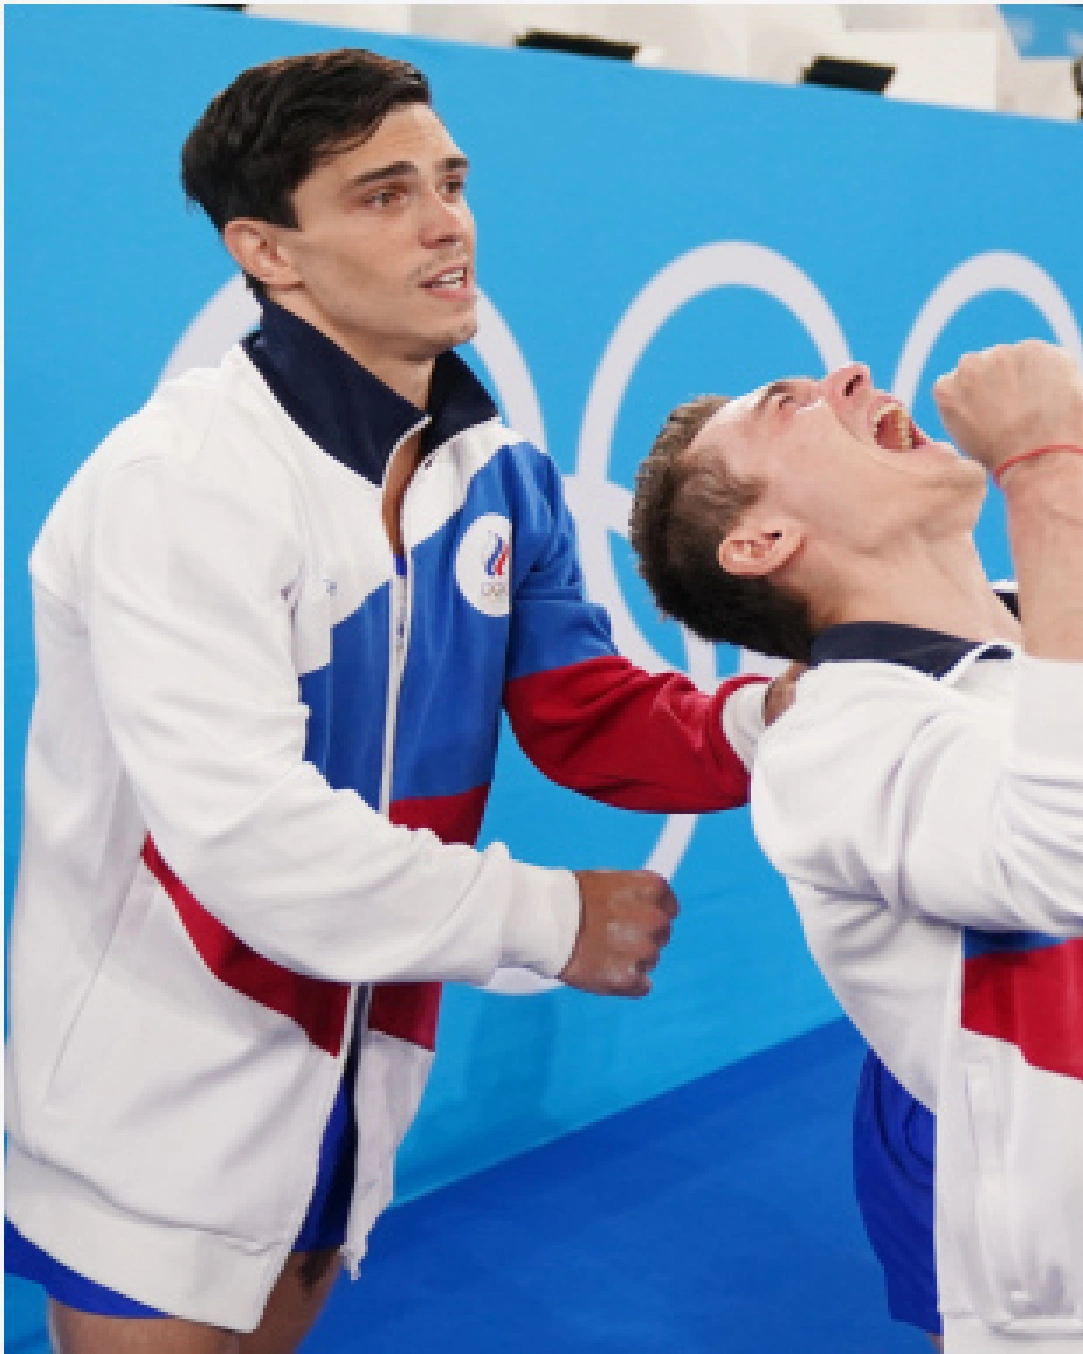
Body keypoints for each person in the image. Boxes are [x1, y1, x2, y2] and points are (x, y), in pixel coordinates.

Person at [3, 48, 791, 1353]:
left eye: (451, 181)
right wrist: (546, 914)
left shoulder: (500, 470)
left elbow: (586, 708)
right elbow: (249, 837)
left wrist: (782, 721)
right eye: (383, 195)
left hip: (354, 1075)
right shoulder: (180, 481)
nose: (447, 223)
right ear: (269, 250)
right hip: (161, 1087)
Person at [631, 342, 1083, 1350]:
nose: (847, 374)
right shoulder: (832, 744)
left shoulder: (1027, 653)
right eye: (786, 404)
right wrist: (1045, 466)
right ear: (761, 538)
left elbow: (1081, 618)